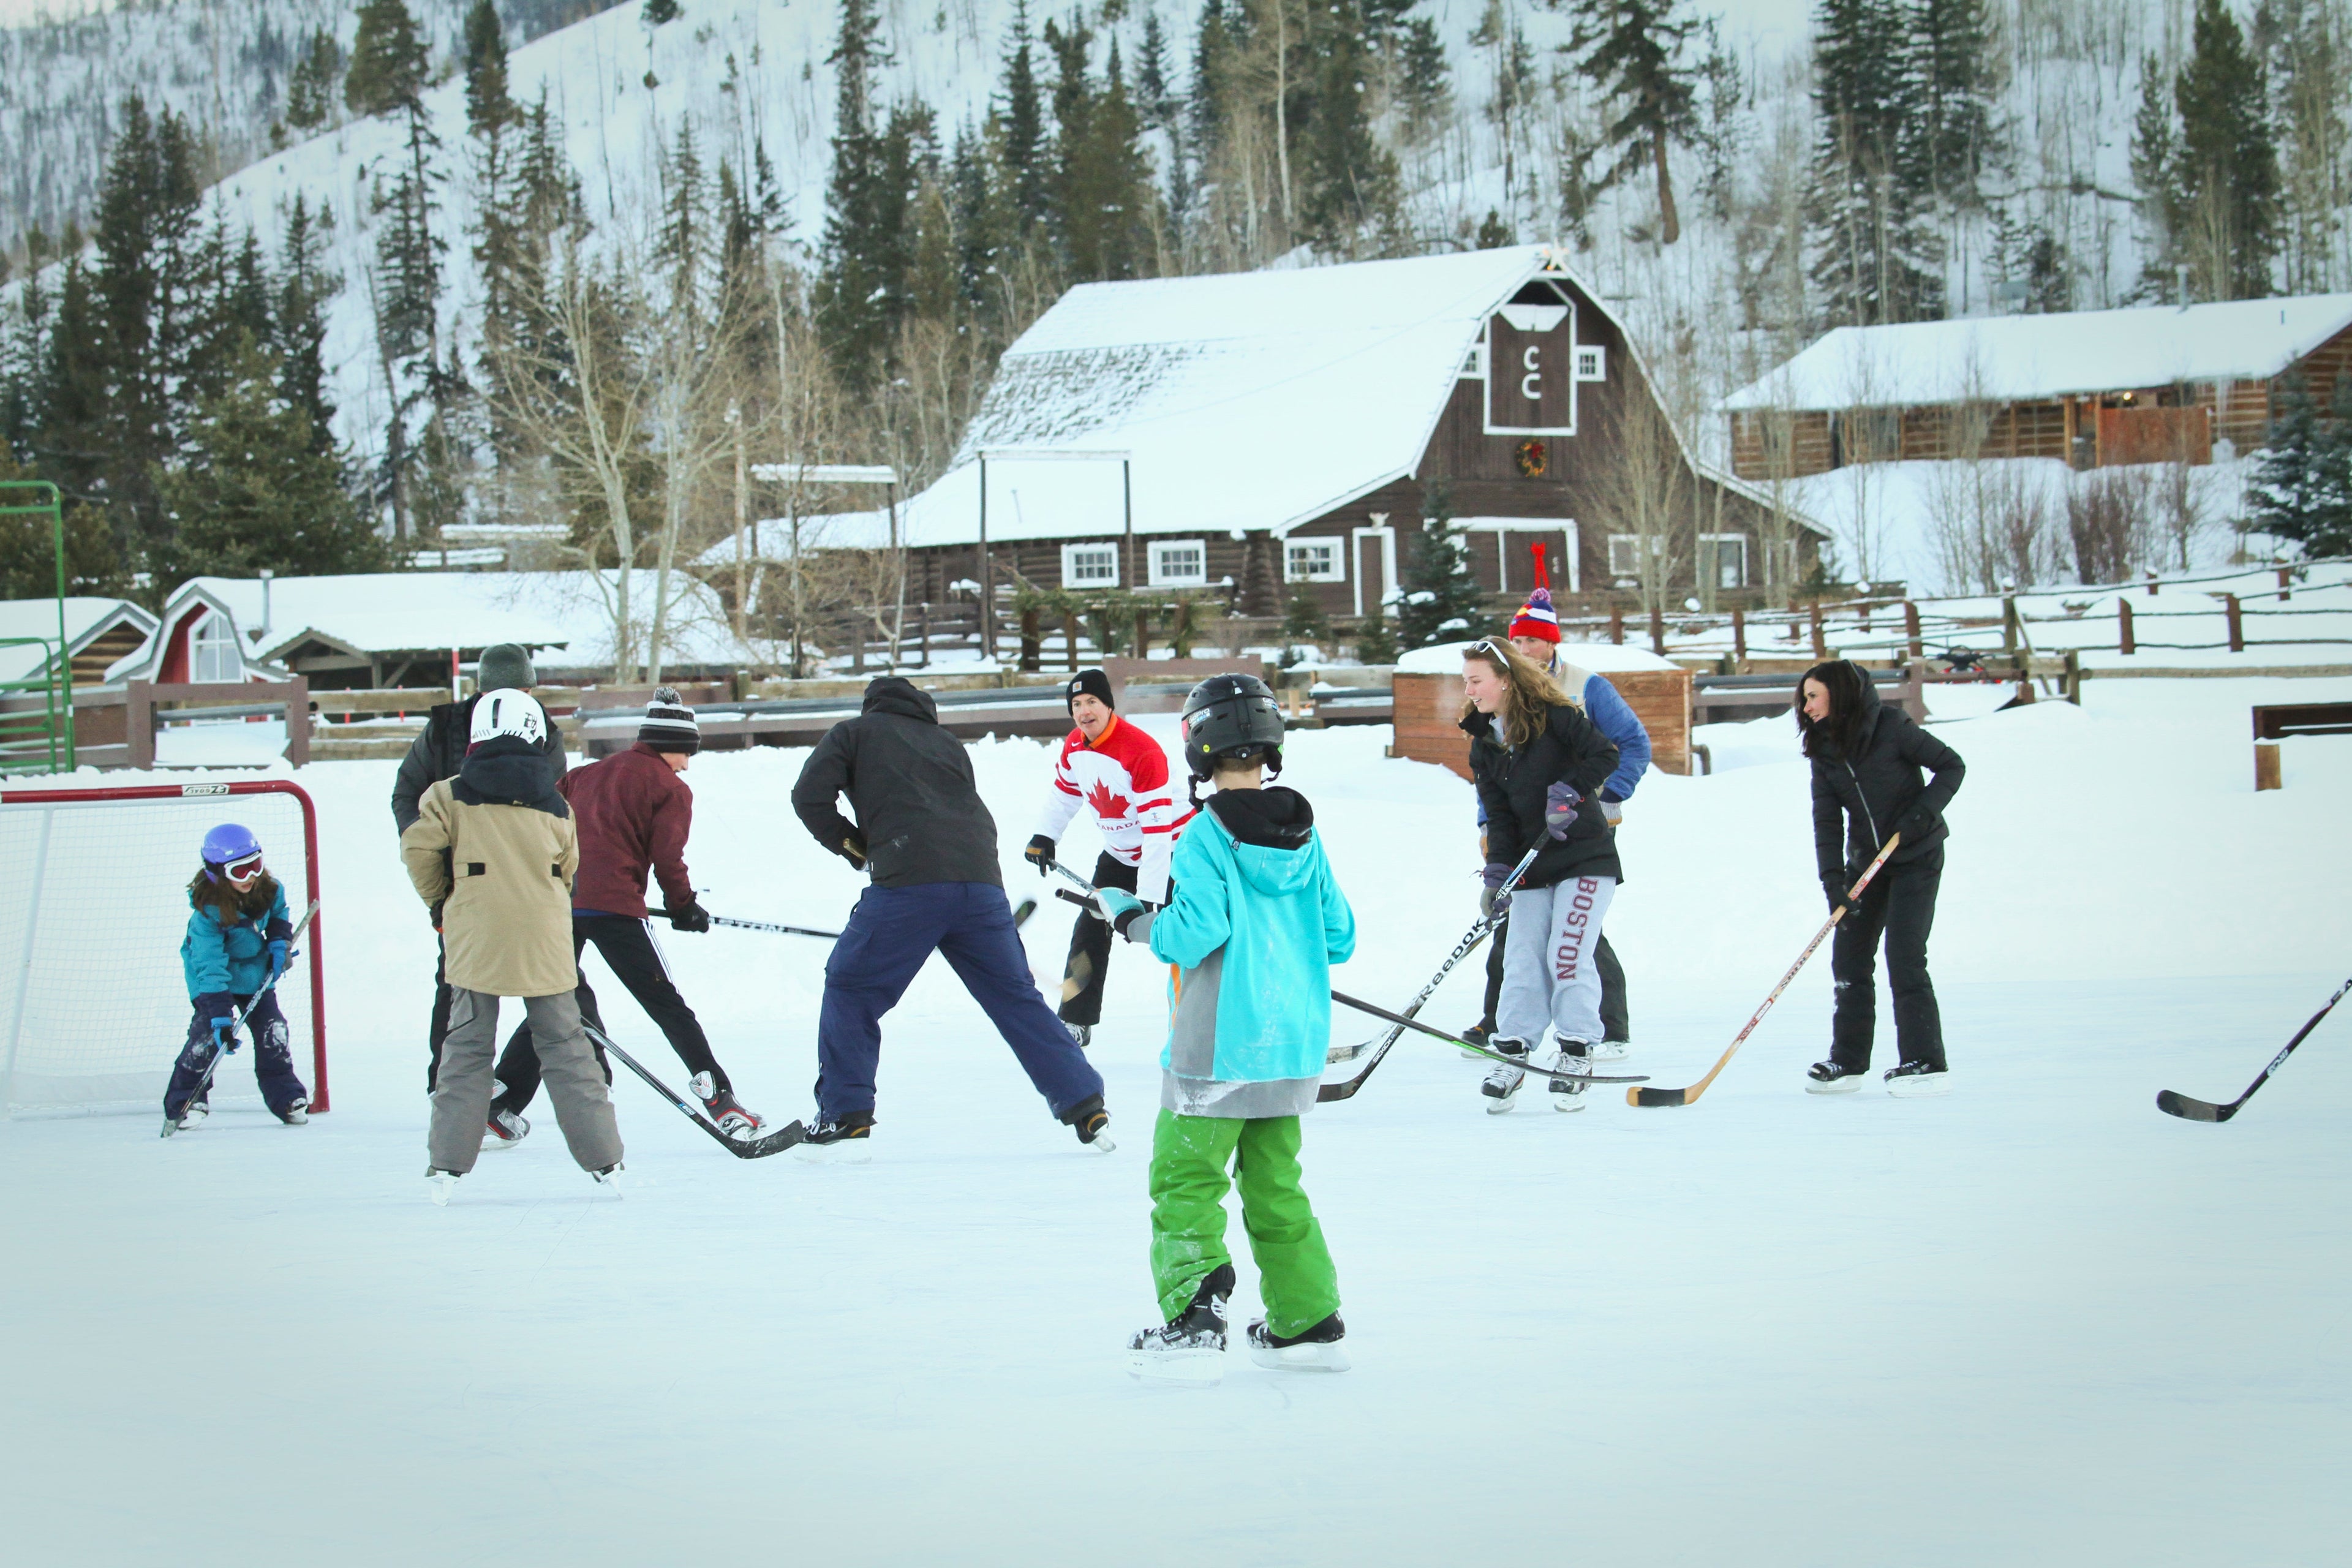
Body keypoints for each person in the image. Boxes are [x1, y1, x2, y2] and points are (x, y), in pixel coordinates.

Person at [1107, 674, 1355, 1384]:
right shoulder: (1305, 835)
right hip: (1292, 1046)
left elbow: (1195, 932)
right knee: (1277, 1184)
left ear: (1198, 745)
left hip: (1216, 1048)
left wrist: (1134, 920)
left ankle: (1194, 1315)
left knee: (1184, 1178)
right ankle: (1307, 1320)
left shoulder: (1205, 833)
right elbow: (1339, 935)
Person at [789, 674, 1112, 1160]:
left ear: (872, 706)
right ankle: (1086, 1103)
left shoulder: (854, 733)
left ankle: (845, 1115)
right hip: (981, 881)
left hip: (908, 883)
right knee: (1014, 996)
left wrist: (856, 847)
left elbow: (808, 797)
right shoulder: (946, 743)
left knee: (852, 986)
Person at [488, 690, 766, 1139]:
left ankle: (499, 1100)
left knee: (554, 1002)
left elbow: (544, 825)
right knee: (666, 1005)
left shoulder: (582, 775)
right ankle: (721, 1101)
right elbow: (668, 858)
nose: (687, 764)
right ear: (666, 744)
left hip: (561, 905)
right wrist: (684, 907)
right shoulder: (670, 788)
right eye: (685, 752)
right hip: (617, 910)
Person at [401, 689, 624, 1204]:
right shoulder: (555, 803)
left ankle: (447, 1166)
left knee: (467, 1048)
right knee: (566, 1048)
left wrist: (442, 902)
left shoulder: (447, 794)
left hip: (477, 935)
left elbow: (418, 849)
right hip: (545, 939)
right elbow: (569, 867)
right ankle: (605, 1159)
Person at [1464, 546, 1648, 1060]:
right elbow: (1498, 787)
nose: (1522, 647)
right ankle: (1504, 1027)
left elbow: (1626, 746)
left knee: (1576, 940)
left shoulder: (1581, 689)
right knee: (1522, 937)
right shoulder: (1489, 719)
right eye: (1516, 639)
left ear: (1549, 645)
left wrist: (1598, 797)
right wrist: (1494, 845)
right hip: (1525, 834)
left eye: (1531, 641)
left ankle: (1602, 1029)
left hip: (1585, 828)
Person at [390, 642, 569, 1144]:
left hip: (522, 878)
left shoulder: (544, 732)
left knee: (542, 986)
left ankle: (500, 1096)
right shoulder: (448, 726)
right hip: (465, 880)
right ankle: (451, 1094)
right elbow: (407, 794)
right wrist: (431, 849)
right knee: (466, 984)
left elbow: (555, 808)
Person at [1460, 638, 1621, 1113]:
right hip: (1533, 864)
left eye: (1476, 680)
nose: (1469, 690)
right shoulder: (1484, 742)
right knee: (1522, 958)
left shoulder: (1558, 718)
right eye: (1466, 681)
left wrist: (1569, 792)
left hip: (1584, 858)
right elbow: (1500, 817)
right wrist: (1498, 873)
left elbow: (1605, 755)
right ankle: (1513, 1049)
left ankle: (1575, 1051)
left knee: (1566, 954)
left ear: (1506, 679)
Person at [1796, 660, 1966, 1096]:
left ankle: (1925, 1060)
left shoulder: (1891, 726)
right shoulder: (1825, 747)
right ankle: (1848, 1061)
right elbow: (1827, 821)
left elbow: (1951, 766)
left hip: (1916, 855)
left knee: (1904, 956)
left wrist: (1921, 813)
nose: (1806, 705)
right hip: (1867, 864)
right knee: (1849, 958)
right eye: (1805, 697)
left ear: (1838, 693)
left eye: (1813, 695)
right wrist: (1833, 881)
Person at [1022, 668, 1185, 1046]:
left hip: (1173, 851)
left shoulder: (1140, 750)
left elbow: (1158, 834)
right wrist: (1046, 834)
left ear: (1108, 705)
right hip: (1119, 853)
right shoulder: (1076, 746)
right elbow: (1066, 792)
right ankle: (1075, 1020)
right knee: (1091, 926)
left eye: (1092, 702)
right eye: (1076, 705)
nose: (1084, 712)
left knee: (1183, 936)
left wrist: (1148, 899)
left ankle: (1200, 1018)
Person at [163, 824, 307, 1131]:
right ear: (217, 872)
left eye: (255, 865)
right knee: (207, 1039)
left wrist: (279, 943)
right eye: (240, 871)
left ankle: (286, 1097)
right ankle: (186, 1100)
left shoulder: (269, 889)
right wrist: (219, 1016)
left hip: (255, 974)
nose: (251, 877)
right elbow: (210, 965)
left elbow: (280, 915)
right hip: (213, 980)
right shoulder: (207, 915)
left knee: (274, 1030)